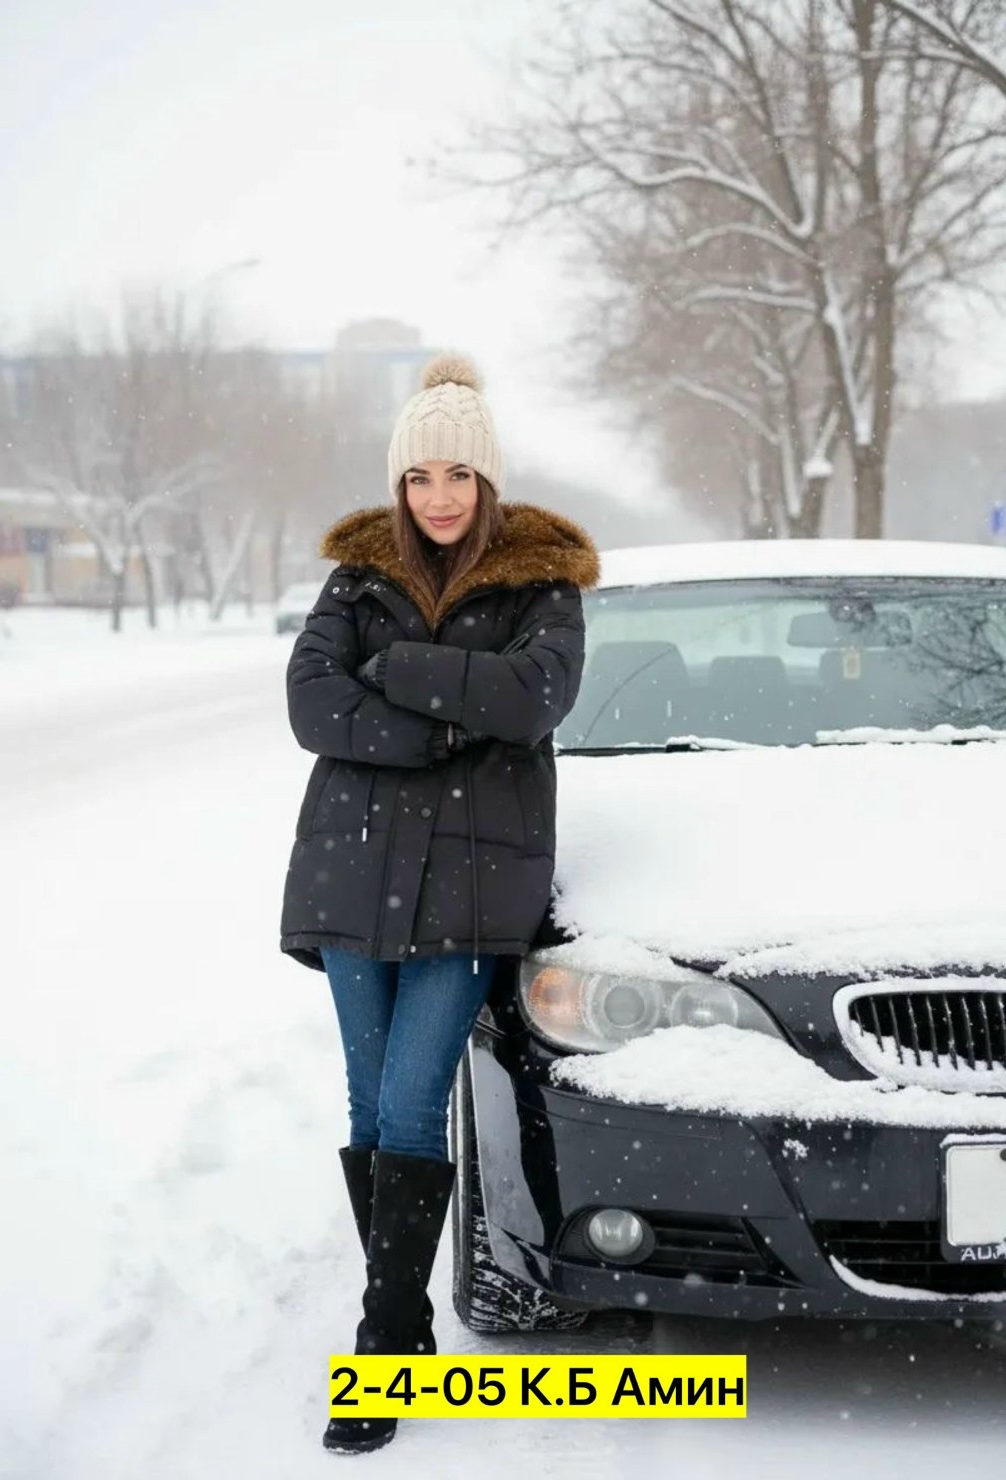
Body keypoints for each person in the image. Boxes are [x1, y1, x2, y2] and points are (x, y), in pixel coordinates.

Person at [279, 352, 599, 1454]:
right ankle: (404, 1332)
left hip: (471, 888)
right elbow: (311, 701)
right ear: (400, 486)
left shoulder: (541, 582)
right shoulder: (357, 577)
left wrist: (399, 671)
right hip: (352, 874)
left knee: (414, 1101)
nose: (441, 495)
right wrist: (448, 719)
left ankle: (378, 1350)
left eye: (460, 472)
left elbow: (535, 694)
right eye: (421, 477)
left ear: (490, 479)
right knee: (371, 1109)